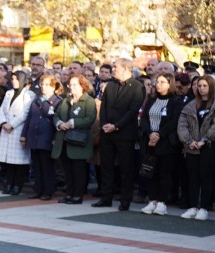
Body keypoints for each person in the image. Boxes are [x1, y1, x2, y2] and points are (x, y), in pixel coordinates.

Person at [93, 58, 146, 211]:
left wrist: (116, 126)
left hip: (125, 134)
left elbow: (133, 111)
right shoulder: (110, 86)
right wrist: (104, 125)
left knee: (126, 169)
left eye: (115, 67)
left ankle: (125, 200)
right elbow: (103, 108)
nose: (113, 69)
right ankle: (106, 198)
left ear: (126, 69)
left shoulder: (137, 87)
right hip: (107, 133)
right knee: (106, 167)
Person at [177, 72, 215, 221]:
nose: (201, 88)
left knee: (206, 177)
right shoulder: (190, 105)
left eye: (204, 86)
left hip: (209, 146)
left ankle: (204, 207)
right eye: (199, 86)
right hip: (191, 146)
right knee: (193, 177)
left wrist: (204, 140)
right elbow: (182, 124)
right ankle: (193, 206)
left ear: (211, 87)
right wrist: (188, 140)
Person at [141, 69, 186, 215]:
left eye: (162, 82)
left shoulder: (175, 102)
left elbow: (173, 121)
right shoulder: (151, 100)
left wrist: (159, 134)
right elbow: (144, 119)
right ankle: (152, 200)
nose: (158, 85)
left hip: (165, 142)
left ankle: (162, 202)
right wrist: (150, 134)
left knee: (164, 173)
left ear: (170, 84)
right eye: (157, 82)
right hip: (149, 141)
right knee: (149, 172)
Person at [53, 74, 96, 204]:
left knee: (78, 170)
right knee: (67, 170)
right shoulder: (66, 100)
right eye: (70, 85)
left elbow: (90, 119)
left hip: (79, 141)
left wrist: (72, 123)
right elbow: (56, 115)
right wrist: (60, 123)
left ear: (82, 86)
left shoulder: (88, 101)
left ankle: (77, 195)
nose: (72, 88)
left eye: (75, 85)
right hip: (64, 140)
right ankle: (69, 194)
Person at [24, 75, 62, 200]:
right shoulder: (36, 99)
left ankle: (48, 190)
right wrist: (24, 135)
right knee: (37, 165)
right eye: (42, 84)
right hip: (34, 136)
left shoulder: (57, 101)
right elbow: (29, 118)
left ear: (53, 86)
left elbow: (54, 119)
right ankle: (38, 189)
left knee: (47, 165)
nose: (43, 87)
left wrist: (55, 138)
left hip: (47, 137)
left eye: (47, 85)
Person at [0, 70, 33, 195]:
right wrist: (3, 122)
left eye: (16, 79)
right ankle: (8, 183)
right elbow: (2, 109)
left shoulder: (29, 94)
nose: (14, 81)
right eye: (13, 79)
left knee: (19, 161)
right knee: (8, 161)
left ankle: (17, 185)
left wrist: (12, 124)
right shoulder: (9, 93)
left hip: (18, 130)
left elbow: (25, 113)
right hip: (6, 129)